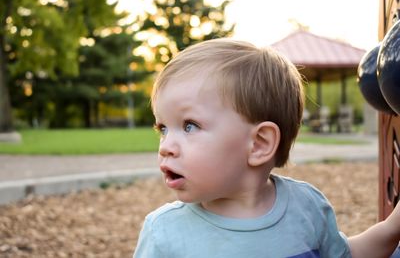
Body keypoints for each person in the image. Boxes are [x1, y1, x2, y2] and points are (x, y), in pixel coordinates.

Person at [133, 38, 400, 258]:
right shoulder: (165, 234)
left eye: (189, 126)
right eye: (163, 129)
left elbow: (345, 256)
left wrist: (391, 228)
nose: (166, 146)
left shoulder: (306, 208)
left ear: (259, 144)